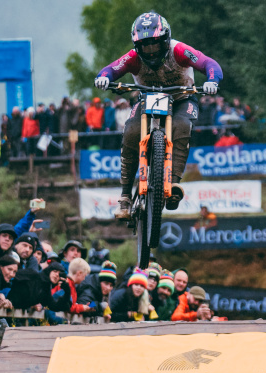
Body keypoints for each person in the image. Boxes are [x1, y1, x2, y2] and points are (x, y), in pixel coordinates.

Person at [94, 11, 223, 219]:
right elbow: (111, 69)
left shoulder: (179, 50)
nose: (151, 51)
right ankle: (125, 197)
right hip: (146, 99)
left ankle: (173, 185)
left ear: (166, 40)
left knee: (182, 126)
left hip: (182, 98)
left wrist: (212, 80)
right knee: (131, 131)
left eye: (155, 44)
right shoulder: (133, 58)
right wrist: (103, 78)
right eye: (145, 46)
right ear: (138, 46)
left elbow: (209, 63)